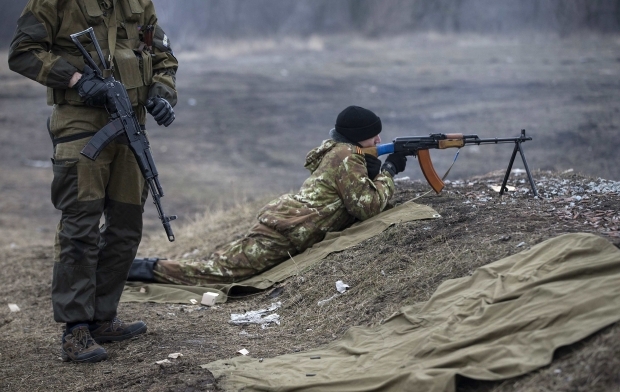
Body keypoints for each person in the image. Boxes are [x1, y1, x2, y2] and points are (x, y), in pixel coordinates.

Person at [8, 0, 178, 363]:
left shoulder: (139, 3)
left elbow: (161, 53)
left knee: (127, 225)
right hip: (79, 124)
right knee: (80, 226)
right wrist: (77, 80)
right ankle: (76, 330)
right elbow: (23, 52)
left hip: (130, 123)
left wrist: (162, 93)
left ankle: (103, 317)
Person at [128, 106, 407, 286]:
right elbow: (367, 207)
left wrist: (373, 171)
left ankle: (140, 267)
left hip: (287, 223)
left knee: (220, 264)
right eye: (374, 138)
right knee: (221, 273)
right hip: (287, 231)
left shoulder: (342, 152)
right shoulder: (347, 156)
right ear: (359, 138)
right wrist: (389, 172)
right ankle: (141, 269)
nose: (379, 143)